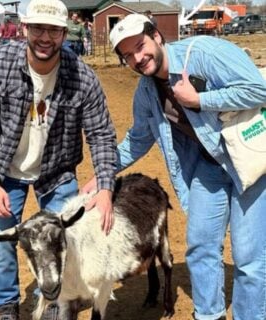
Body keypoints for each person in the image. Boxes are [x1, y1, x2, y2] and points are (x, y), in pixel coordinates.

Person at [82, 14, 266, 320]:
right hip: (209, 168)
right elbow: (137, 140)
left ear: (156, 36)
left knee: (248, 257)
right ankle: (208, 315)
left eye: (140, 46)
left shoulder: (205, 52)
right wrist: (103, 174)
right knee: (200, 247)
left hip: (249, 163)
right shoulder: (146, 91)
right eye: (128, 55)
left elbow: (259, 89)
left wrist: (200, 100)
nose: (138, 59)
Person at [0, 0, 117, 319]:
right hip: (5, 170)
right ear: (25, 29)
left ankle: (52, 303)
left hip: (57, 172)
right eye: (38, 28)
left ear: (64, 34)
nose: (45, 37)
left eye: (53, 30)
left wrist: (105, 187)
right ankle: (6, 307)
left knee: (60, 239)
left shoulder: (83, 77)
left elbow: (102, 134)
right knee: (1, 243)